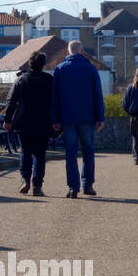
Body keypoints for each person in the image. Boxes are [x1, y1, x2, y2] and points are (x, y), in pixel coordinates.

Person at [51, 40, 105, 198]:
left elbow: (55, 97)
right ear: (82, 51)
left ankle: (73, 187)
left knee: (71, 152)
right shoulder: (91, 69)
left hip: (67, 118)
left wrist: (55, 118)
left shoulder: (60, 69)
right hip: (87, 117)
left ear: (68, 52)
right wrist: (100, 117)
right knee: (88, 150)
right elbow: (97, 95)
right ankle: (87, 184)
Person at [4, 51, 54, 196]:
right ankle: (37, 185)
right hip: (43, 122)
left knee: (25, 152)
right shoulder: (49, 80)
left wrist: (7, 120)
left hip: (23, 121)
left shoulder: (21, 79)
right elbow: (56, 102)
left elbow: (11, 101)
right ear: (43, 65)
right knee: (40, 154)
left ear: (30, 63)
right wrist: (57, 121)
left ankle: (25, 180)